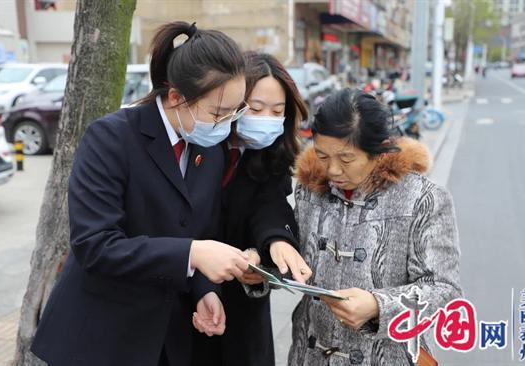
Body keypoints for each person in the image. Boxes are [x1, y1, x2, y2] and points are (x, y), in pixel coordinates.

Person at [31, 21, 251, 366]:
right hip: (100, 337)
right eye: (218, 113)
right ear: (177, 96)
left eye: (234, 112)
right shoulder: (111, 138)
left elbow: (199, 232)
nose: (225, 124)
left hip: (166, 338)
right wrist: (192, 254)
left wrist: (205, 290)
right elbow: (96, 244)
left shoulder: (208, 148)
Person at [288, 88, 462, 365]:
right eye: (322, 156)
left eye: (346, 159)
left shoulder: (423, 199)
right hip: (310, 355)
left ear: (378, 151)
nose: (332, 170)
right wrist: (262, 263)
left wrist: (378, 307)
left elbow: (445, 291)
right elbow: (293, 254)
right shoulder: (311, 189)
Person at [191, 51, 312, 366]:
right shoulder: (201, 144)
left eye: (277, 111)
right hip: (188, 296)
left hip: (242, 309)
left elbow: (270, 207)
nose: (267, 120)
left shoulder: (271, 153)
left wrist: (269, 247)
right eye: (256, 109)